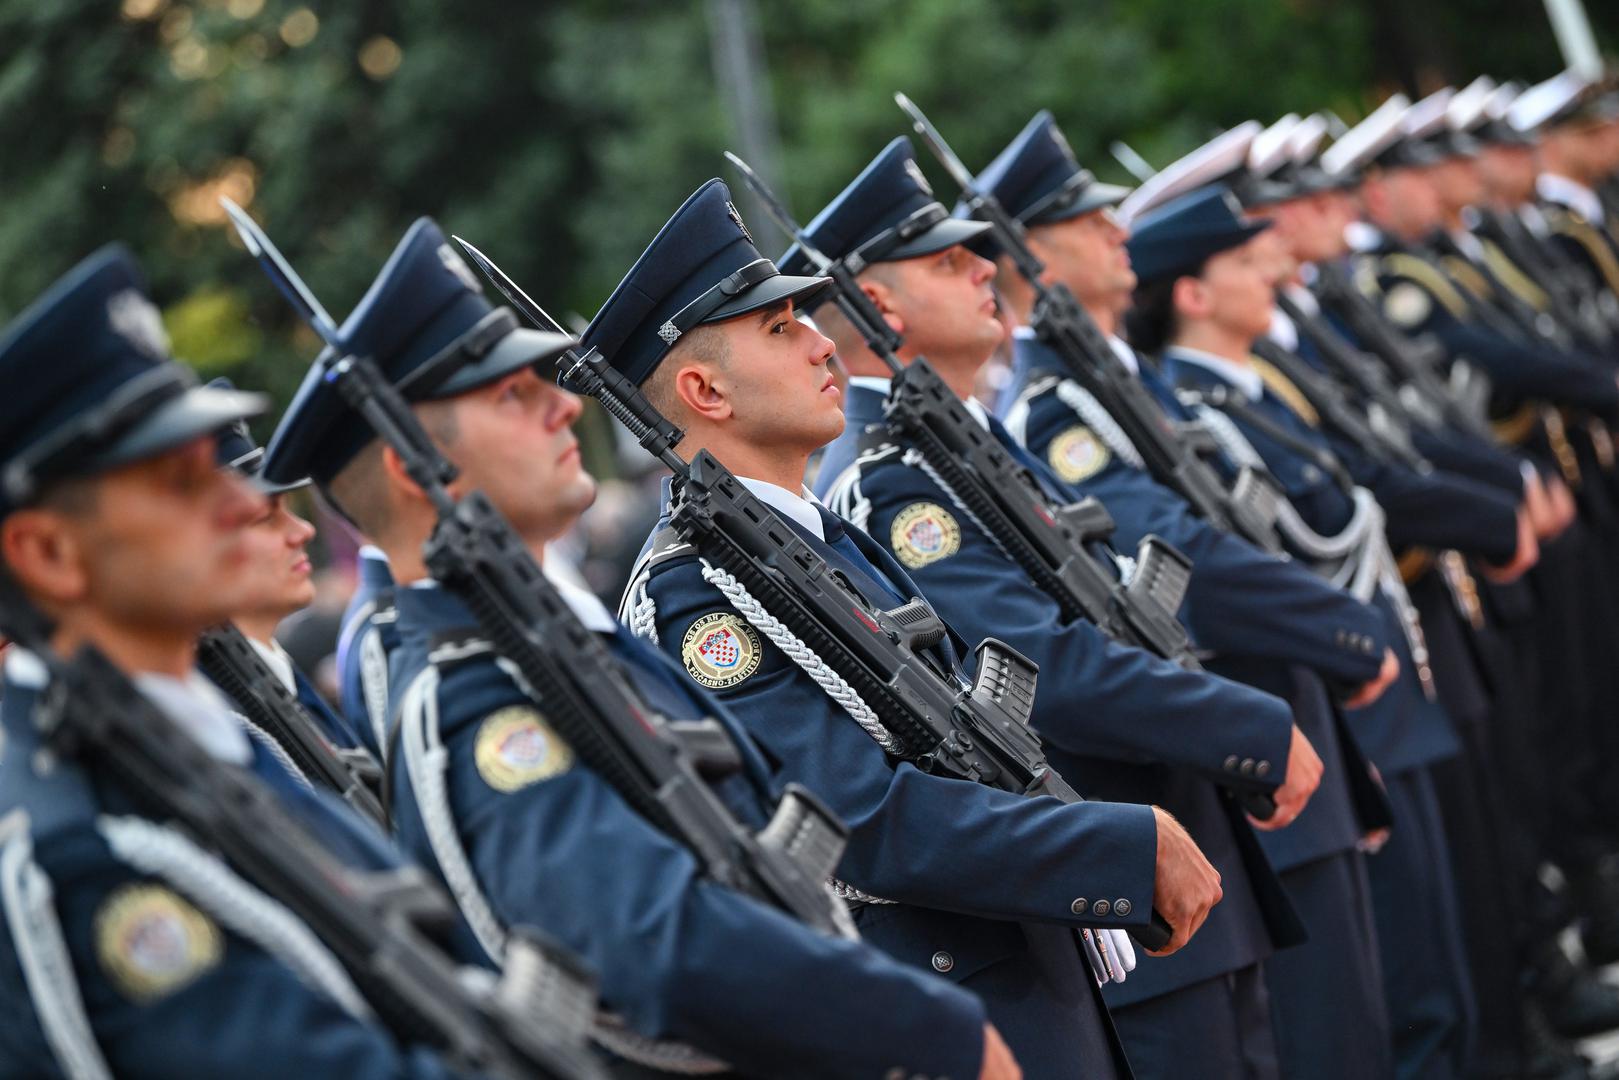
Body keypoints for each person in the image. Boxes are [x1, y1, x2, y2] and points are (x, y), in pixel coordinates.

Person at [255, 214, 1023, 1080]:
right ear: (409, 468)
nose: (562, 404)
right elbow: (658, 942)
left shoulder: (555, 641)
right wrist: (918, 1025)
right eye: (511, 395)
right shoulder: (478, 699)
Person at [584, 176, 1227, 1080]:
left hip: (1017, 969)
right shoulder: (696, 589)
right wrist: (1118, 844)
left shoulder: (817, 538)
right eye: (780, 329)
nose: (821, 343)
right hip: (943, 1008)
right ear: (702, 391)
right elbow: (859, 812)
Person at [961, 109, 1402, 1080]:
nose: (1117, 232)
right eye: (1085, 223)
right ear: (1028, 256)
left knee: (1360, 1029)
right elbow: (1180, 561)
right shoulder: (1049, 413)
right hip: (1218, 753)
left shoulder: (1119, 388)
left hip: (1263, 741)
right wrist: (1341, 634)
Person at [0, 245, 493, 1077]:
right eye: (179, 481)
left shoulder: (181, 742)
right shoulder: (86, 847)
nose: (243, 504)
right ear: (48, 554)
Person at [208, 378, 364, 752]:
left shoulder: (275, 675)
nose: (304, 531)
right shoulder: (230, 714)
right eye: (265, 519)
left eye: (289, 511)